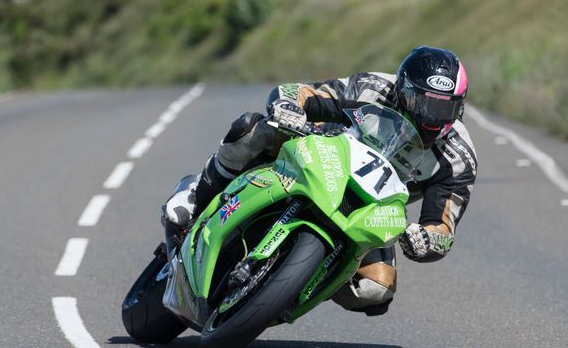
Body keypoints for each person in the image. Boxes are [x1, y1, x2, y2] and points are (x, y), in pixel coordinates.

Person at [164, 46, 478, 316]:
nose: (430, 118)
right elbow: (307, 93)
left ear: (460, 107)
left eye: (442, 108)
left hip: (371, 207)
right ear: (402, 89)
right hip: (321, 154)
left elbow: (443, 225)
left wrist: (427, 238)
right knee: (253, 128)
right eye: (421, 103)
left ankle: (289, 291)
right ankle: (198, 197)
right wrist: (290, 106)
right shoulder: (373, 88)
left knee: (376, 288)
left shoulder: (458, 158)